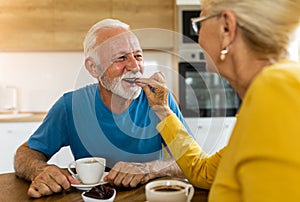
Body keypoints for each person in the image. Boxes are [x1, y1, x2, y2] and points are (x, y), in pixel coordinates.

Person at [140, 0, 300, 201]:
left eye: (199, 23)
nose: (197, 37)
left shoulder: (276, 88)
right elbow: (203, 171)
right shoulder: (267, 93)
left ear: (226, 28)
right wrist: (163, 110)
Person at [14, 18, 190, 198]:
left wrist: (148, 169)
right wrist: (41, 170)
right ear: (93, 68)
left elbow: (191, 161)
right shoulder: (70, 106)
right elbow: (25, 154)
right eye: (121, 58)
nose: (134, 66)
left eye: (138, 56)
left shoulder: (160, 100)